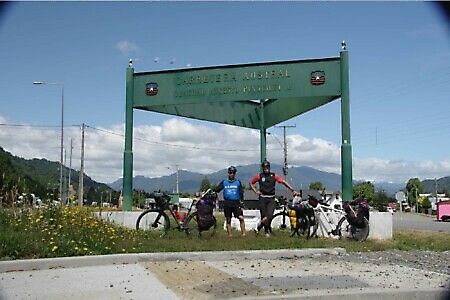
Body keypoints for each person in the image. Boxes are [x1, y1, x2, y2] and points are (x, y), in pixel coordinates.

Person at [250, 160, 299, 237]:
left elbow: (283, 182)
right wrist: (256, 191)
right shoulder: (259, 176)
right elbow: (251, 183)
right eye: (264, 167)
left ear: (269, 168)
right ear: (263, 168)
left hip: (271, 198)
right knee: (263, 215)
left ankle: (258, 227)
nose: (266, 169)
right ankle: (266, 231)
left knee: (269, 215)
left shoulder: (274, 176)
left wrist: (292, 190)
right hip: (262, 198)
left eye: (267, 167)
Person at [214, 166, 246, 238]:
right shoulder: (224, 182)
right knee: (228, 219)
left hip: (236, 202)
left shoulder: (238, 182)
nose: (232, 174)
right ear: (228, 173)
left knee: (241, 218)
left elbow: (241, 193)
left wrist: (242, 203)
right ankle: (229, 235)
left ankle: (243, 234)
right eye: (230, 173)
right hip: (227, 203)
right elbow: (217, 189)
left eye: (233, 173)